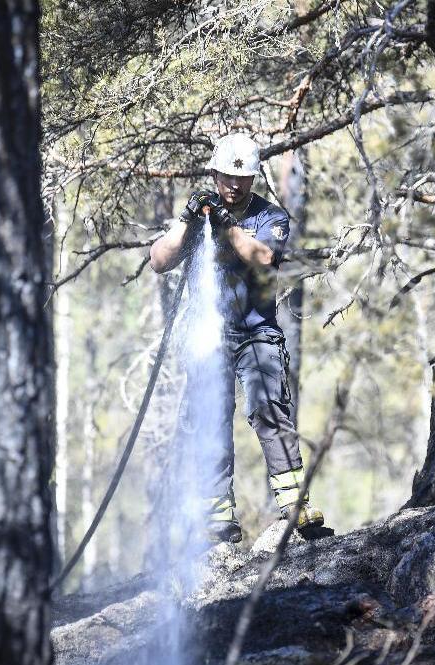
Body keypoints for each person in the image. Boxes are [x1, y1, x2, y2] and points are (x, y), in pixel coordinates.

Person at [149, 133, 324, 543]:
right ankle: (218, 518)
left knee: (269, 409)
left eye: (242, 177)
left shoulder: (270, 217)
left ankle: (295, 506)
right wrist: (188, 222)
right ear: (214, 174)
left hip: (257, 333)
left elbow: (264, 259)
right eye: (227, 176)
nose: (234, 184)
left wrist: (227, 227)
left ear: (253, 178)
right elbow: (158, 260)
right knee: (211, 417)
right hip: (210, 335)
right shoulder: (200, 216)